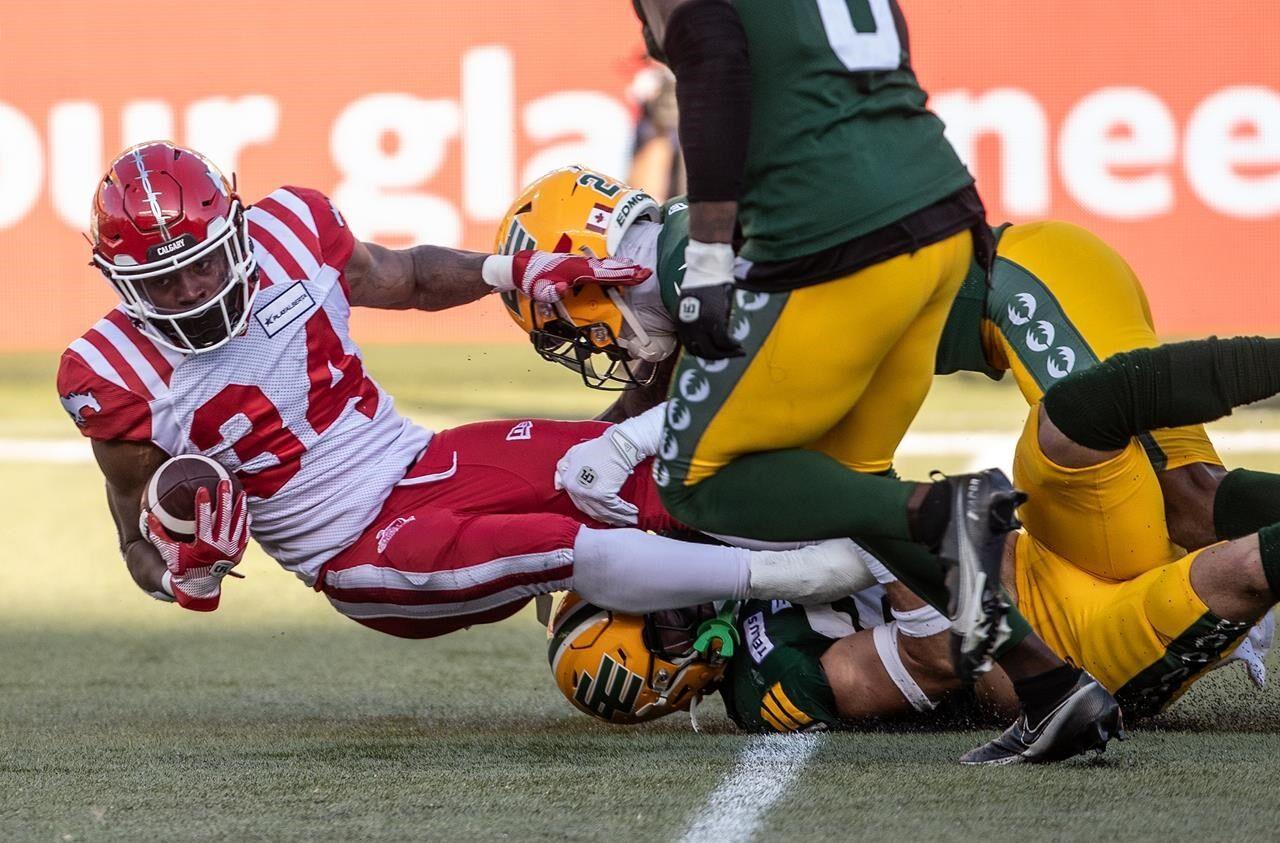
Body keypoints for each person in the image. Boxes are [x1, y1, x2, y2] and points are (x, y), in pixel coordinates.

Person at [55, 141, 875, 639]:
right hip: (355, 551)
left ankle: (882, 545)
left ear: (235, 229)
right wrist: (184, 575)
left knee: (638, 476)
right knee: (563, 543)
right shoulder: (110, 373)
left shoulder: (290, 227)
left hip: (425, 462)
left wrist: (516, 270)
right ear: (121, 283)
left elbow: (407, 276)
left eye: (201, 262)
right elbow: (135, 538)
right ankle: (800, 578)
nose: (192, 289)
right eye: (162, 282)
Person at [549, 334, 1280, 763]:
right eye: (660, 615)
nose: (669, 585)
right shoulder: (770, 683)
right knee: (1240, 565)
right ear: (669, 670)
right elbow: (938, 659)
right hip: (1072, 645)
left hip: (1040, 552)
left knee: (1076, 418)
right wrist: (874, 529)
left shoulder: (726, 552)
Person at [630, 0, 1021, 682]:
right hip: (945, 209)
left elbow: (712, 47)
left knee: (688, 478)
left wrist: (712, 259)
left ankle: (951, 508)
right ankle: (1043, 678)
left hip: (837, 233)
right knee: (852, 485)